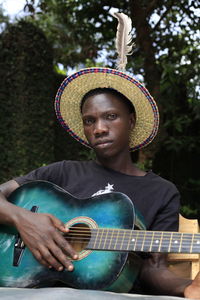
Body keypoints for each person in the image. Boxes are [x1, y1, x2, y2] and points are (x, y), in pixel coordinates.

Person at [0, 67, 200, 299]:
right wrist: (25, 220)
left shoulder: (161, 192)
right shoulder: (62, 171)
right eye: (89, 121)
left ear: (131, 121)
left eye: (111, 116)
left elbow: (154, 270)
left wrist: (187, 286)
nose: (99, 128)